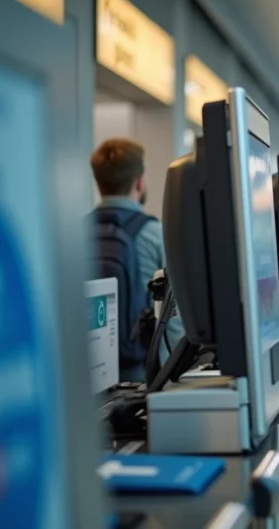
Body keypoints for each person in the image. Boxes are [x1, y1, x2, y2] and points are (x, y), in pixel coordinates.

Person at [90, 138, 184, 381]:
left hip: (86, 371)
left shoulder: (73, 234)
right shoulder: (155, 234)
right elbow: (173, 319)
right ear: (139, 182)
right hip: (137, 372)